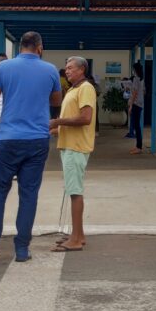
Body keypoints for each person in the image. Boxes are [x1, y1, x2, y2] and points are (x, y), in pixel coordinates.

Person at [0, 31, 62, 263]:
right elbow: (56, 100)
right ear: (40, 48)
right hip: (37, 140)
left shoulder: (3, 68)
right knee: (29, 195)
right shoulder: (50, 70)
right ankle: (22, 248)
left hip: (7, 139)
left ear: (20, 46)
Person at [49, 56, 96, 252]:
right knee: (73, 190)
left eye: (70, 68)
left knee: (75, 192)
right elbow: (72, 120)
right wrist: (56, 129)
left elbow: (85, 118)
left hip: (76, 147)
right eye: (66, 68)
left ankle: (75, 240)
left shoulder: (85, 88)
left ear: (82, 69)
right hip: (69, 144)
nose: (66, 71)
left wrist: (58, 122)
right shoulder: (73, 89)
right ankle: (79, 235)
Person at [126, 62, 145, 154]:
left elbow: (134, 93)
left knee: (136, 126)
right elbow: (143, 92)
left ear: (135, 70)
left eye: (133, 69)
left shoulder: (136, 79)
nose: (132, 71)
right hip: (140, 104)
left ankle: (139, 147)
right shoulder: (141, 79)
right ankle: (138, 146)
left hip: (136, 104)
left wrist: (131, 105)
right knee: (137, 126)